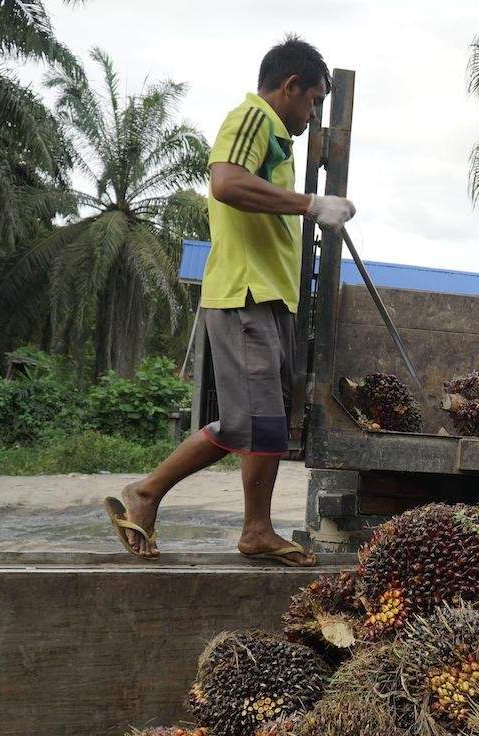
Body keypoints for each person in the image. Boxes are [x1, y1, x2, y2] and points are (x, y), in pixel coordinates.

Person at [104, 36, 356, 565]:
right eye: (312, 100)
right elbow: (225, 183)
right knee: (256, 421)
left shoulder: (276, 142)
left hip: (268, 298)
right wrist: (310, 203)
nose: (312, 114)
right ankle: (159, 497)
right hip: (244, 293)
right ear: (289, 86)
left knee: (259, 423)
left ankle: (230, 521)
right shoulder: (252, 119)